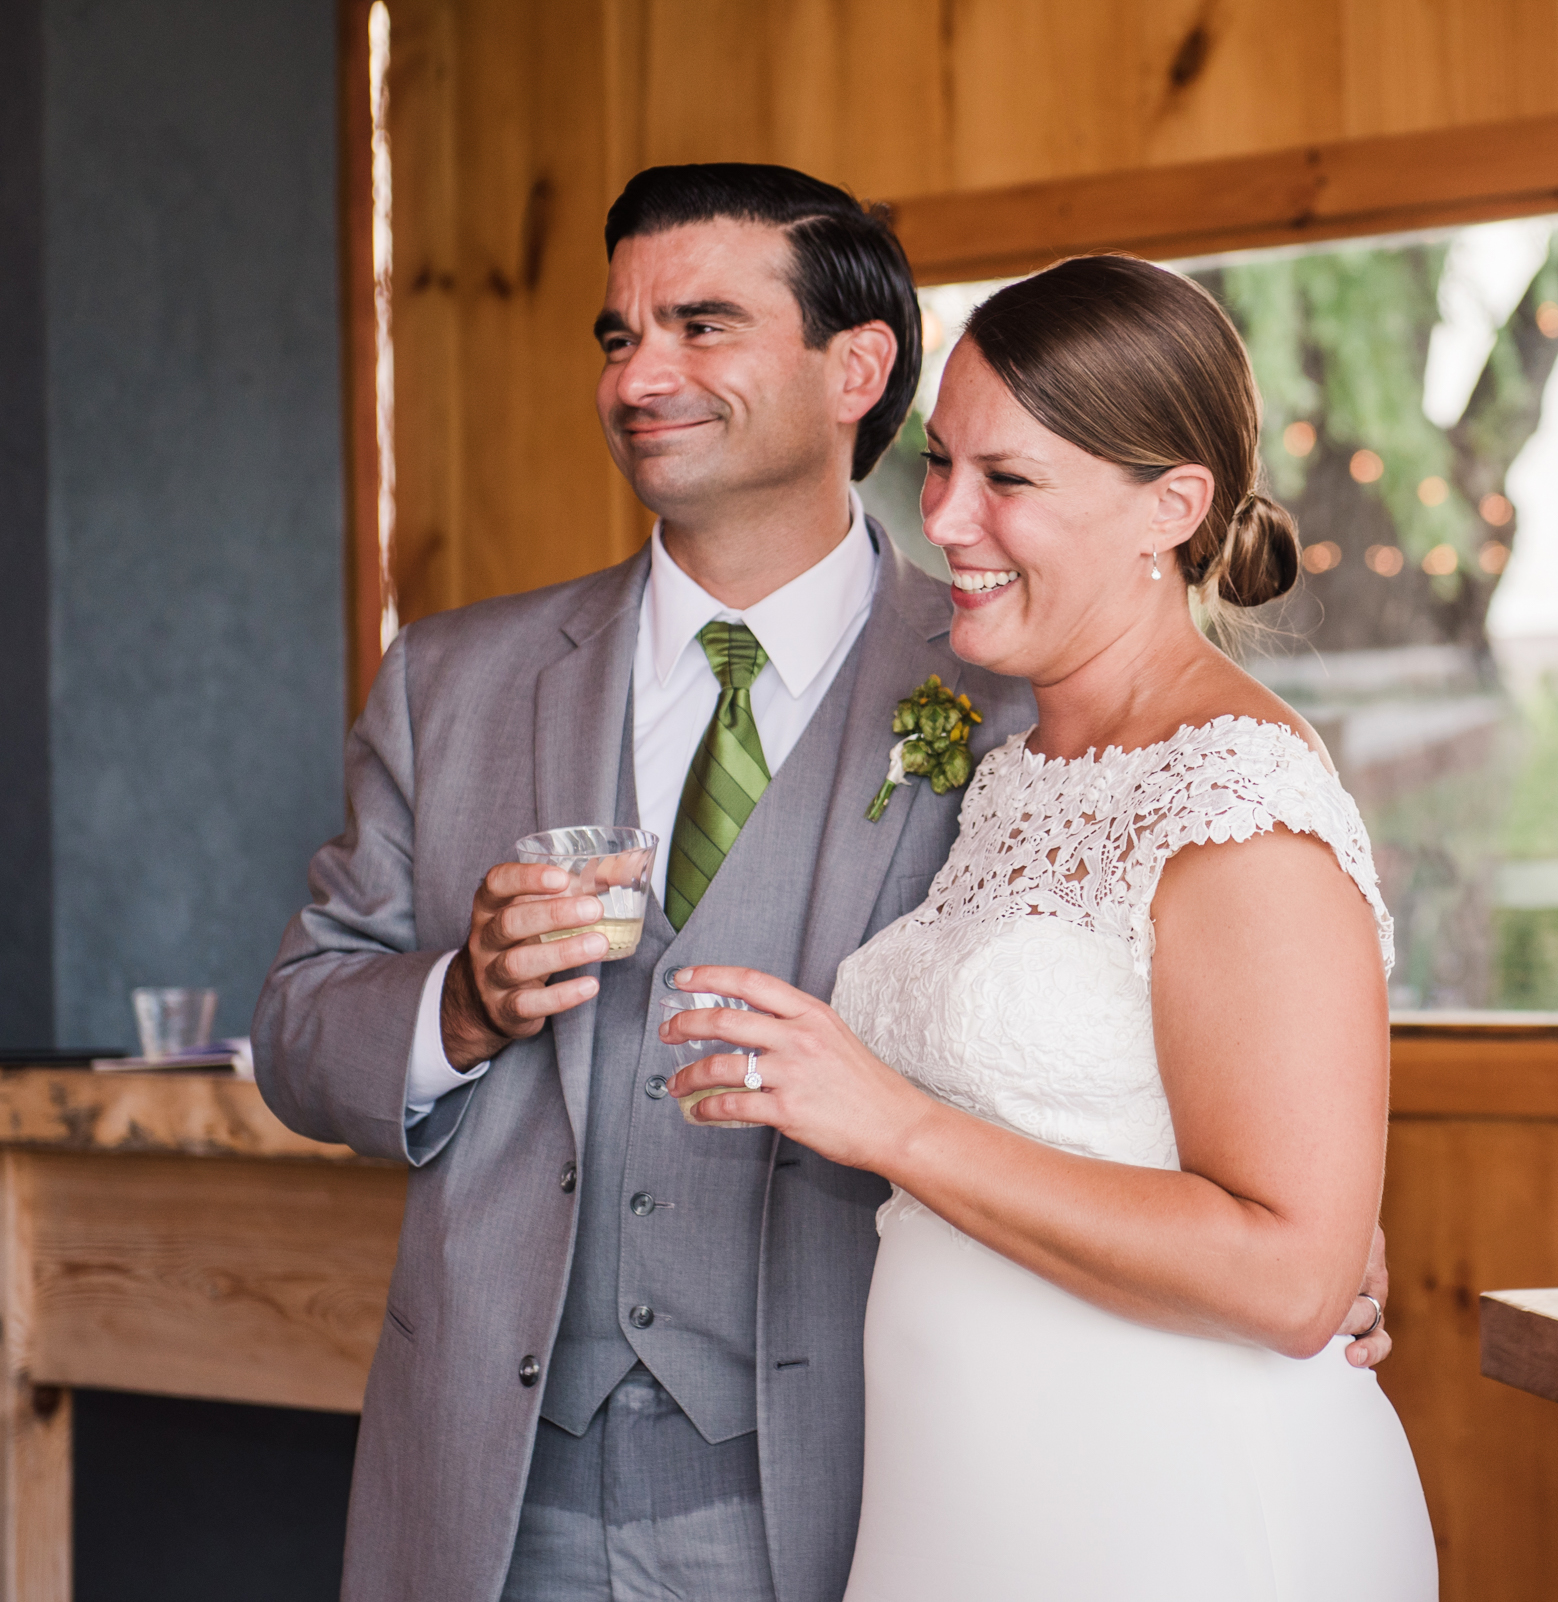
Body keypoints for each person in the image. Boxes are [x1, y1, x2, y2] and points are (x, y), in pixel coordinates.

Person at [253, 166, 1396, 1602]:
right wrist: (460, 1005)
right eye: (619, 336)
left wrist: (1314, 1227)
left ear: (857, 367)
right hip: (495, 1487)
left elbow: (1222, 1084)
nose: (641, 375)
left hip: (852, 1486)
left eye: (701, 324)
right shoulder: (454, 683)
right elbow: (294, 1027)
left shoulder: (1017, 687)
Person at [662, 254, 1439, 1600]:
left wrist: (887, 1120)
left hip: (1180, 1511)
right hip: (972, 1504)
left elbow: (1293, 1273)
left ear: (1172, 507)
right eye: (943, 463)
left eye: (1008, 481)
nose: (947, 517)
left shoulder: (1239, 802)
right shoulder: (1021, 758)